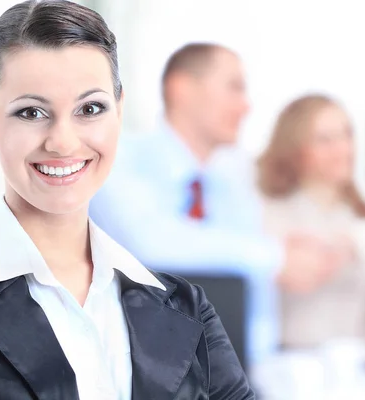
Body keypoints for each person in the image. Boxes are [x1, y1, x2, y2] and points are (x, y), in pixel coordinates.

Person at [0, 2, 253, 399]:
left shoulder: (186, 308)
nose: (63, 142)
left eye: (90, 108)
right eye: (32, 112)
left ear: (118, 112)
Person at [89, 43, 323, 365]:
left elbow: (254, 303)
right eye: (234, 88)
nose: (245, 106)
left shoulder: (231, 182)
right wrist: (271, 256)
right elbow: (151, 243)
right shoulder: (117, 161)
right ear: (181, 89)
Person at [258, 94, 365, 348]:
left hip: (355, 367)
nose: (342, 149)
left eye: (346, 135)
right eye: (325, 140)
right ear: (295, 149)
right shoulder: (267, 212)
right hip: (287, 366)